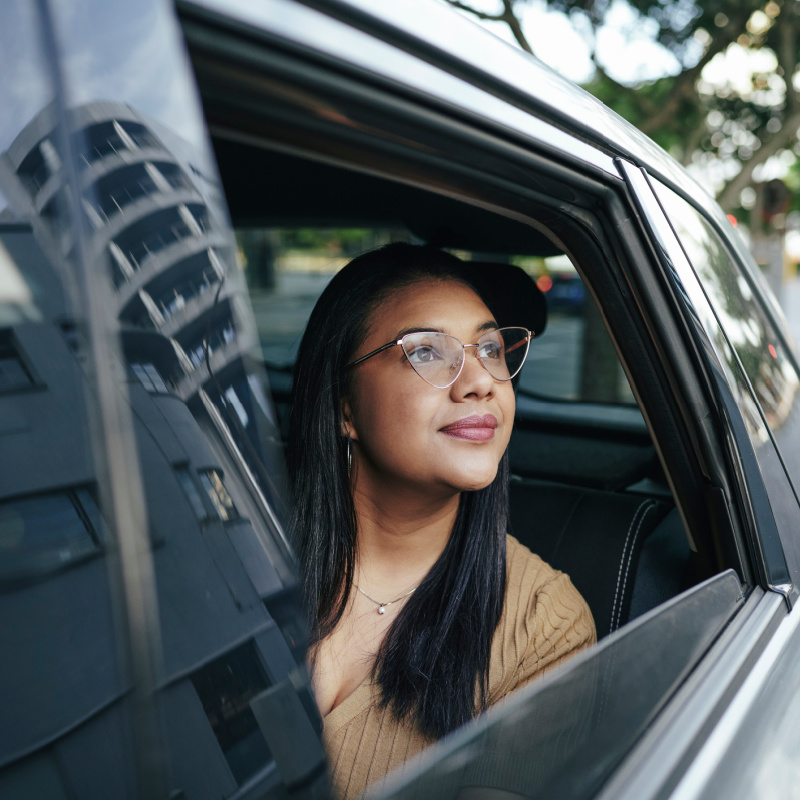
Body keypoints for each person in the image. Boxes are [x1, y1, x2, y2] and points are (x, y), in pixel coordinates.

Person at [287, 243, 595, 799]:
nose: (481, 381)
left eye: (491, 349)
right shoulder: (236, 548)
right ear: (343, 406)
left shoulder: (542, 626)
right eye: (428, 352)